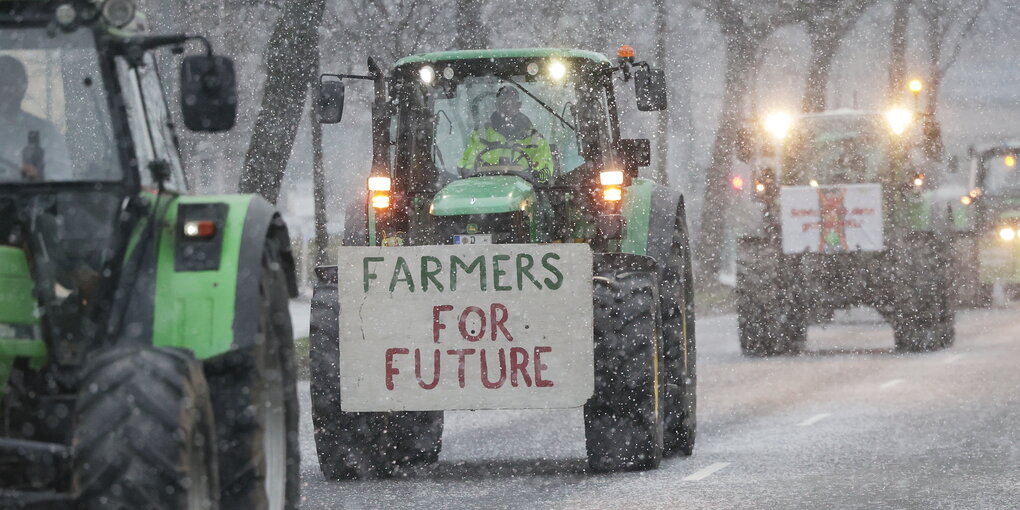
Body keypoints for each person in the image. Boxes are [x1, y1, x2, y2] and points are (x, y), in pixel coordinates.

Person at [458, 86, 554, 182]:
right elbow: (466, 167)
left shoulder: (535, 139)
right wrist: (482, 168)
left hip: (523, 191)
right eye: (502, 103)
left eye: (510, 103)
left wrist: (528, 173)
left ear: (518, 105)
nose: (506, 107)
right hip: (484, 189)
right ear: (496, 105)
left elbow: (544, 171)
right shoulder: (480, 136)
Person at [0, 55, 71, 182]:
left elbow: (60, 179)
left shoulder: (43, 132)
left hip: (29, 200)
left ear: (23, 88)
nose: (6, 92)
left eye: (10, 86)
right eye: (2, 85)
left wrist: (32, 180)